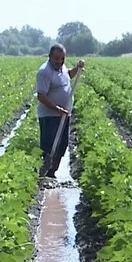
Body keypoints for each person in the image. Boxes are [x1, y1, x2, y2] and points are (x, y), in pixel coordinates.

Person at [36, 43, 84, 178]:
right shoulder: (44, 72)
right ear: (50, 56)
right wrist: (57, 109)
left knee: (62, 145)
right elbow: (41, 95)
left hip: (63, 114)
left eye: (62, 58)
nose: (59, 61)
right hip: (49, 115)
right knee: (49, 146)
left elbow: (67, 76)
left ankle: (52, 173)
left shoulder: (61, 67)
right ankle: (44, 174)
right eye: (56, 58)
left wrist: (77, 69)